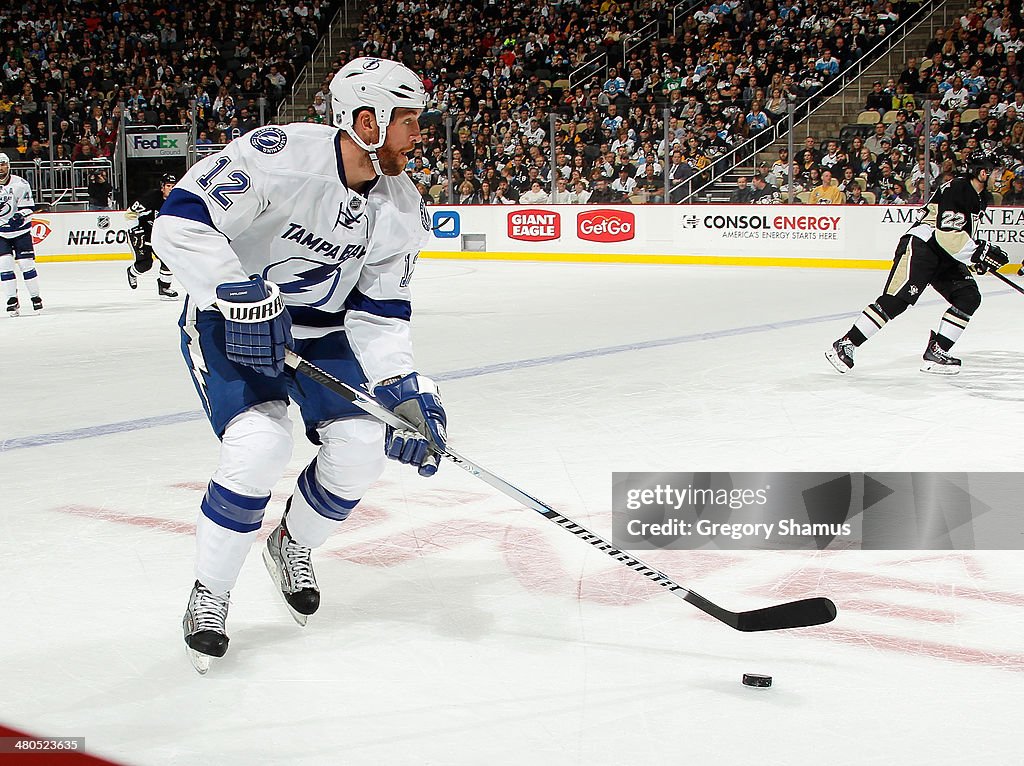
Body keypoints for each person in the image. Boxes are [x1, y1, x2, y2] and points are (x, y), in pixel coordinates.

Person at [151, 57, 446, 673]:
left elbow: (381, 312)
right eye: (410, 123)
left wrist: (402, 390)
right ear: (368, 120)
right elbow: (179, 224)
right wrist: (234, 289)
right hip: (230, 321)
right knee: (260, 445)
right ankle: (210, 593)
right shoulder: (276, 156)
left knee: (364, 445)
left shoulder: (399, 204)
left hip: (319, 330)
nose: (420, 137)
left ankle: (292, 545)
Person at [826, 156, 1009, 376]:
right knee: (896, 301)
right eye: (996, 171)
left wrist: (975, 259)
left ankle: (937, 351)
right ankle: (846, 343)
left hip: (945, 253)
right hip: (923, 245)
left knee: (968, 296)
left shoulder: (980, 197)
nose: (1000, 176)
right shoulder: (959, 189)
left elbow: (959, 235)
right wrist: (976, 253)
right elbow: (947, 233)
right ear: (983, 173)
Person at [0, 152, 43, 316]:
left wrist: (20, 216)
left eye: (3, 164)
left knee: (26, 265)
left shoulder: (21, 184)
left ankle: (35, 297)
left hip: (21, 232)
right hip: (1, 233)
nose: (0, 167)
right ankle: (12, 299)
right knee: (4, 264)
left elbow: (28, 208)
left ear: (8, 165)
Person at [126, 174, 179, 300]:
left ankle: (164, 288)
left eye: (173, 186)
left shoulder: (177, 201)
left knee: (168, 260)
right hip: (142, 235)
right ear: (162, 187)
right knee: (145, 264)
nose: (171, 189)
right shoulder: (151, 198)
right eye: (168, 186)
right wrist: (135, 231)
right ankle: (132, 272)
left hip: (160, 236)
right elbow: (130, 214)